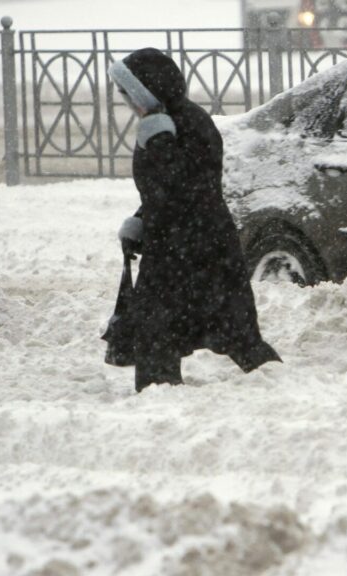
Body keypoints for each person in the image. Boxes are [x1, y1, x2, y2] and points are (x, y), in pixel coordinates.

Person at [109, 48, 281, 392]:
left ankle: (276, 385)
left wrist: (159, 140)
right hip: (177, 241)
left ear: (146, 90)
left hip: (199, 245)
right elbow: (162, 189)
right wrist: (142, 219)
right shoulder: (162, 122)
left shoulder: (184, 124)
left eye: (127, 92)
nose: (125, 100)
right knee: (164, 328)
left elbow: (189, 185)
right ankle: (161, 390)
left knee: (228, 327)